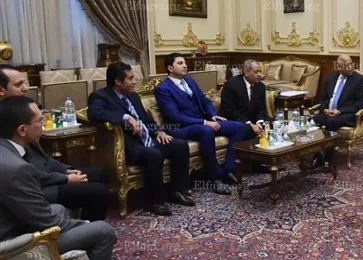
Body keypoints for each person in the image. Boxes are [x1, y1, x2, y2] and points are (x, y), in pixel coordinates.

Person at [0, 96, 130, 260]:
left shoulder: (7, 151)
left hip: (14, 221)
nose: (43, 124)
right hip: (13, 243)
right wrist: (82, 224)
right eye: (39, 120)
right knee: (102, 231)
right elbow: (48, 223)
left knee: (59, 207)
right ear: (22, 129)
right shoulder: (16, 168)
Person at [0, 64, 113, 221]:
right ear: (1, 90)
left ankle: (85, 221)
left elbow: (43, 157)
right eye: (19, 85)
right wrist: (65, 178)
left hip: (45, 175)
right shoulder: (7, 122)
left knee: (101, 173)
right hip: (33, 186)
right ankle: (88, 230)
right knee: (98, 191)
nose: (26, 88)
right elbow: (25, 172)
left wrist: (67, 171)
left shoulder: (22, 110)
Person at [88, 62, 194, 216]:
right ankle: (157, 202)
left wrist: (158, 132)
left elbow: (146, 119)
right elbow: (94, 113)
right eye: (130, 78)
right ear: (118, 81)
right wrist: (125, 117)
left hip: (147, 139)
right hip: (129, 145)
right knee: (154, 154)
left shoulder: (133, 96)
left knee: (179, 145)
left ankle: (177, 191)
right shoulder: (101, 96)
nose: (135, 81)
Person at [154, 53, 250, 194]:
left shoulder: (189, 80)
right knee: (207, 131)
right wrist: (204, 122)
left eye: (184, 62)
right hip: (181, 128)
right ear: (170, 68)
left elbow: (205, 100)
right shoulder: (163, 89)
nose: (185, 65)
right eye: (180, 63)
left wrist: (212, 115)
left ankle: (229, 170)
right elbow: (175, 117)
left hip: (203, 121)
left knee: (240, 127)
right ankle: (215, 179)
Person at [311, 55, 363, 166]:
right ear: (339, 66)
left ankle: (328, 157)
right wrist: (324, 109)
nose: (351, 67)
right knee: (315, 119)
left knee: (331, 122)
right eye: (347, 65)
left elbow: (361, 103)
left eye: (351, 64)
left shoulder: (358, 80)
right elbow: (324, 98)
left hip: (346, 114)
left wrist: (340, 111)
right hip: (328, 113)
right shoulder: (330, 78)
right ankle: (317, 154)